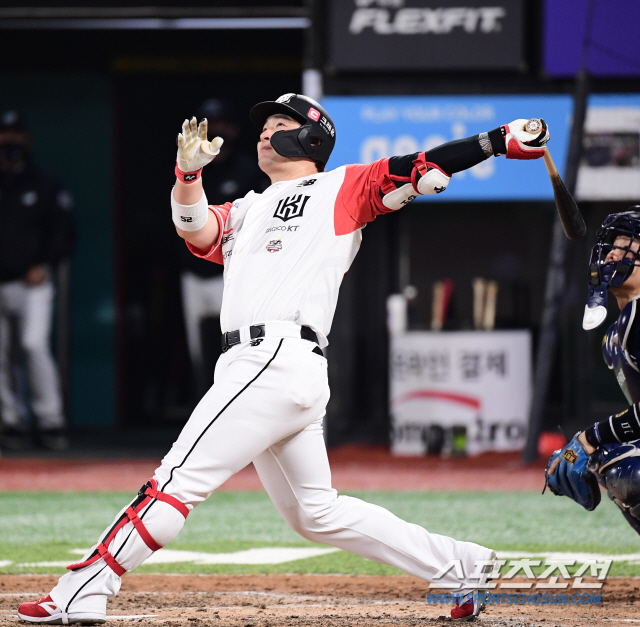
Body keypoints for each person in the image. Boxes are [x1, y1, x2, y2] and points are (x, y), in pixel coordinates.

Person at [18, 95, 550, 623]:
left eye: (278, 123)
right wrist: (187, 174)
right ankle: (461, 564)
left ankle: (84, 588)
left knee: (176, 480)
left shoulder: (341, 187)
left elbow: (422, 163)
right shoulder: (248, 207)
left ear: (311, 138)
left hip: (273, 358)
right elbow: (195, 229)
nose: (264, 132)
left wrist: (498, 141)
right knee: (315, 513)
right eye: (264, 125)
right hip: (269, 367)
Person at [545, 208, 640, 535]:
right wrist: (591, 445)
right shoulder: (617, 334)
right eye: (613, 245)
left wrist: (588, 437)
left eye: (627, 245)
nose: (613, 253)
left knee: (627, 469)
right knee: (607, 454)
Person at [178, 98, 269, 398]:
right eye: (209, 125)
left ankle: (236, 403)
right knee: (197, 352)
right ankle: (203, 405)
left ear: (233, 129)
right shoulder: (189, 169)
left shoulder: (248, 171)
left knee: (236, 347)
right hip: (193, 271)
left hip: (231, 273)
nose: (215, 130)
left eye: (220, 124)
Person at [0, 111, 75, 451]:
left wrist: (45, 264)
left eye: (15, 133)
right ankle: (11, 422)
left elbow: (64, 232)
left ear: (26, 139)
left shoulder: (44, 183)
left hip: (32, 282)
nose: (9, 141)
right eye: (4, 133)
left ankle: (50, 421)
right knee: (1, 355)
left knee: (33, 346)